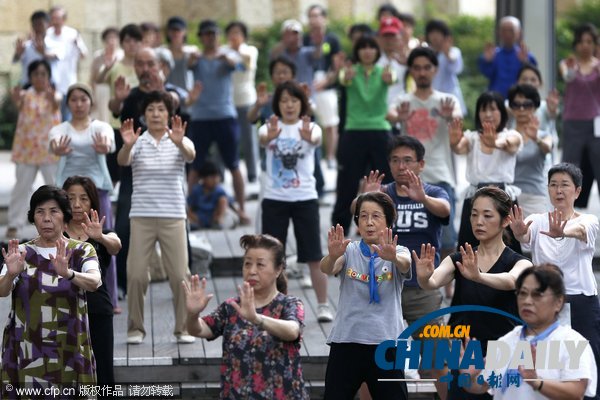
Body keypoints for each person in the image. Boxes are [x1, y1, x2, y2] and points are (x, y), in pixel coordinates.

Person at [414, 186, 533, 399]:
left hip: (503, 351)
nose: (479, 221)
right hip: (462, 351)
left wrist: (478, 277)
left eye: (487, 215)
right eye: (474, 214)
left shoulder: (520, 262)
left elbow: (511, 281)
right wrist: (423, 275)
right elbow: (431, 283)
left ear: (505, 221)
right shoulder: (460, 258)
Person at [358, 135, 451, 397]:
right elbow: (357, 210)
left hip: (422, 289)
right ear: (389, 163)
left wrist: (422, 198)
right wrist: (367, 196)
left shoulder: (433, 192)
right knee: (370, 363)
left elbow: (444, 210)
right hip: (383, 288)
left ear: (421, 164)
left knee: (436, 361)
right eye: (396, 160)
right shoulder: (381, 194)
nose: (401, 166)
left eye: (408, 160)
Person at [510, 162, 600, 399]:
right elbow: (525, 235)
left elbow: (581, 232)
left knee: (586, 358)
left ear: (577, 191)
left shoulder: (589, 220)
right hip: (545, 301)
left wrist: (564, 232)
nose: (558, 190)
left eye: (565, 185)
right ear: (547, 189)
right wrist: (518, 232)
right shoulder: (538, 219)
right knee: (548, 358)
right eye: (553, 185)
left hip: (580, 301)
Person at [0, 185, 101, 395]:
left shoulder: (82, 250)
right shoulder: (20, 252)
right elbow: (2, 290)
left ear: (65, 218)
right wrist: (10, 274)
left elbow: (95, 282)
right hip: (28, 351)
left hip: (70, 348)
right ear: (33, 218)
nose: (46, 218)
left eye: (53, 211)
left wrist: (69, 274)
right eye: (40, 212)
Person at [183, 234, 308, 399]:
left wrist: (256, 318)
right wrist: (193, 314)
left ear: (278, 270)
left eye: (260, 265)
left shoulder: (289, 304)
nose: (252, 271)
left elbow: (293, 330)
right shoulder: (231, 307)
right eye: (247, 264)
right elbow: (198, 329)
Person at [117, 91, 195, 344]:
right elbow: (122, 161)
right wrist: (128, 145)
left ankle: (183, 328)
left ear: (169, 114)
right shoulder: (137, 141)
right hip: (142, 216)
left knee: (180, 275)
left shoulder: (180, 140)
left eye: (161, 109)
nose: (156, 114)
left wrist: (179, 141)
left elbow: (190, 155)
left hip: (173, 217)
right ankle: (135, 328)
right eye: (151, 109)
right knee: (137, 274)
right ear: (143, 114)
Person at [321, 191, 411, 399]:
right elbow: (328, 267)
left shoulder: (400, 251)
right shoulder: (349, 250)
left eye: (376, 216)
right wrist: (333, 254)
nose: (369, 222)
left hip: (386, 344)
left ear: (389, 222)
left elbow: (405, 264)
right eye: (363, 216)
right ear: (357, 222)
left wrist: (393, 257)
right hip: (347, 342)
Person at [462, 264, 597, 399]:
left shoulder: (572, 342)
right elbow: (482, 386)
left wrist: (536, 382)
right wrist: (469, 376)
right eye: (522, 293)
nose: (527, 301)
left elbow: (576, 392)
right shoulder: (507, 340)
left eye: (537, 295)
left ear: (558, 302)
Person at [259, 81, 332, 322]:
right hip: (275, 198)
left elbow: (317, 138)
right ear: (277, 104)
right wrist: (268, 136)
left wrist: (309, 136)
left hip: (305, 198)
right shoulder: (270, 127)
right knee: (271, 256)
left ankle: (323, 305)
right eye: (284, 101)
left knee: (313, 255)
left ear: (301, 103)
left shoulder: (310, 127)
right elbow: (262, 138)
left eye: (294, 100)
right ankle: (273, 305)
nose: (289, 105)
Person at [49, 82, 119, 312]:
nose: (79, 104)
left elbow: (109, 145)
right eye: (74, 99)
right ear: (68, 103)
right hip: (66, 195)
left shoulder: (102, 127)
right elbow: (52, 145)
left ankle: (109, 295)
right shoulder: (60, 129)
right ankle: (64, 288)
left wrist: (104, 147)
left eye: (83, 99)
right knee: (64, 238)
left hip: (97, 190)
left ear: (91, 102)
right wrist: (56, 151)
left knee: (102, 239)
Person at [388, 46, 462, 260]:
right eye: (417, 68)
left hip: (440, 175)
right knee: (407, 233)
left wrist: (449, 117)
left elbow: (457, 116)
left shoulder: (446, 100)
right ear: (410, 71)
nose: (422, 72)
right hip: (406, 178)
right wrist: (397, 117)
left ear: (435, 70)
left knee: (448, 238)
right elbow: (390, 115)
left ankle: (446, 285)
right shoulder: (403, 101)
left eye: (427, 67)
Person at [187, 20, 250, 224]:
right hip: (201, 117)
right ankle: (188, 209)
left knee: (233, 164)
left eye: (213, 33)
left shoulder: (227, 56)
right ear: (201, 37)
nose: (210, 37)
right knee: (195, 166)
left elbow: (242, 66)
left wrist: (230, 61)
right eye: (206, 34)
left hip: (225, 115)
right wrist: (191, 60)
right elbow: (186, 65)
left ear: (218, 36)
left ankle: (241, 210)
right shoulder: (196, 58)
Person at [331, 36, 395, 233]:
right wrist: (343, 74)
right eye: (363, 47)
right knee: (347, 185)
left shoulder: (384, 71)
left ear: (377, 51)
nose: (367, 51)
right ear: (357, 51)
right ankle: (338, 235)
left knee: (387, 185)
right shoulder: (349, 72)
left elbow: (393, 79)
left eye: (371, 47)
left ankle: (389, 231)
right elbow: (342, 79)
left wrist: (389, 77)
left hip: (380, 130)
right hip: (354, 131)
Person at [62, 176, 121, 390]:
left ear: (92, 203)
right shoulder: (54, 235)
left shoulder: (101, 233)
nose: (77, 205)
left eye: (83, 199)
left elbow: (116, 246)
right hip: (63, 310)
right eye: (70, 198)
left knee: (103, 371)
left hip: (97, 310)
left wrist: (100, 238)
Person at [449, 91, 522, 252]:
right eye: (483, 110)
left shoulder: (512, 135)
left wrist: (494, 143)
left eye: (493, 109)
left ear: (502, 112)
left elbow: (509, 144)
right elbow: (459, 147)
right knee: (469, 246)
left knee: (509, 247)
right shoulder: (472, 137)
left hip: (503, 197)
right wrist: (454, 142)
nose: (488, 114)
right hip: (475, 195)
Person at [5, 60, 61, 239]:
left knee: (55, 188)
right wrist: (15, 98)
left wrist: (52, 97)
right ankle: (14, 225)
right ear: (30, 77)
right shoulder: (24, 95)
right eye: (36, 74)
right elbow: (17, 101)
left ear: (48, 77)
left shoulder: (55, 95)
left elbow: (56, 103)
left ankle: (59, 223)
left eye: (43, 74)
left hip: (49, 150)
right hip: (26, 149)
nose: (39, 78)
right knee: (21, 188)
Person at [559, 23, 600, 209]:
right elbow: (567, 78)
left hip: (595, 123)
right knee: (570, 166)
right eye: (581, 41)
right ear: (576, 44)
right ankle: (566, 211)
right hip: (573, 123)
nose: (585, 45)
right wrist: (570, 69)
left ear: (594, 44)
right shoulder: (567, 64)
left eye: (589, 41)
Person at [304, 4, 341, 168]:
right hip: (308, 86)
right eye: (311, 16)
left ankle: (331, 157)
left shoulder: (332, 39)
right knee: (308, 122)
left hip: (326, 86)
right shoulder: (305, 39)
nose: (314, 19)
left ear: (324, 18)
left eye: (317, 15)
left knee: (330, 124)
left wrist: (325, 82)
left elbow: (336, 66)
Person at [507, 84, 553, 216]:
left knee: (536, 235)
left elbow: (548, 148)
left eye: (526, 104)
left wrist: (536, 138)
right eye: (516, 104)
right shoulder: (505, 136)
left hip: (535, 197)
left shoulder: (543, 135)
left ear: (534, 107)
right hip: (508, 197)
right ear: (511, 107)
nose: (521, 109)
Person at [225, 21, 259, 183]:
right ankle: (222, 171)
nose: (234, 36)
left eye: (237, 33)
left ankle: (252, 172)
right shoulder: (224, 51)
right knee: (228, 139)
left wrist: (235, 51)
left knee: (249, 139)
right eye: (231, 32)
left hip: (247, 100)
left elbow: (248, 62)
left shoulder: (250, 50)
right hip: (228, 101)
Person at [478, 16, 537, 98]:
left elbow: (533, 77)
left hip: (520, 101)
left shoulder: (525, 55)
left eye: (511, 31)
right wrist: (487, 62)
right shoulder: (493, 54)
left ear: (519, 32)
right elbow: (487, 74)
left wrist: (525, 62)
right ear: (499, 33)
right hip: (497, 100)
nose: (507, 34)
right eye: (504, 31)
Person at [46, 6, 87, 120]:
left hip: (69, 81)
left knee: (68, 116)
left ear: (64, 19)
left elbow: (84, 55)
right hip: (51, 84)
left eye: (58, 18)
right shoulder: (47, 34)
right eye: (53, 18)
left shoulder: (72, 34)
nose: (56, 21)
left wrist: (76, 44)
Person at [425, 19, 467, 116]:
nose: (435, 36)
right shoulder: (425, 52)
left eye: (438, 33)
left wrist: (447, 55)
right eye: (432, 33)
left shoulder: (454, 51)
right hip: (431, 98)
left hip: (450, 96)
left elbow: (457, 69)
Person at [12, 10, 61, 87]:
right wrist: (18, 53)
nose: (37, 28)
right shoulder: (27, 45)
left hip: (49, 86)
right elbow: (15, 61)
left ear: (48, 25)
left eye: (40, 24)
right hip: (28, 85)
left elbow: (56, 57)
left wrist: (43, 53)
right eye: (35, 25)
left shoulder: (55, 44)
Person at [187, 160, 236, 230]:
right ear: (203, 178)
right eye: (211, 177)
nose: (215, 180)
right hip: (199, 217)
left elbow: (230, 204)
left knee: (223, 200)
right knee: (188, 219)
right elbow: (190, 207)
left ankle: (218, 222)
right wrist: (193, 216)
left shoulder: (219, 190)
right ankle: (196, 225)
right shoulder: (197, 190)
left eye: (217, 176)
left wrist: (240, 213)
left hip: (214, 216)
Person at [89, 27, 123, 122]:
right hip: (102, 92)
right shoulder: (98, 56)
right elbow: (92, 79)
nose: (112, 41)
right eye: (109, 38)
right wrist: (92, 97)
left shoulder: (122, 56)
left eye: (114, 38)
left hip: (116, 91)